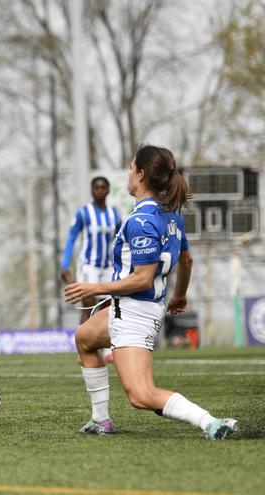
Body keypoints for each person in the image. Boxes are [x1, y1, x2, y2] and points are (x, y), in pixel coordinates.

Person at [66, 144, 237, 441]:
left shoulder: (140, 222)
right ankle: (101, 420)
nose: (129, 174)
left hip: (134, 313)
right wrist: (179, 295)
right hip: (134, 308)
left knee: (141, 395)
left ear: (141, 174)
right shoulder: (171, 216)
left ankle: (210, 422)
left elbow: (142, 279)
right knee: (84, 338)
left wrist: (95, 287)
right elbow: (187, 259)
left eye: (132, 168)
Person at [61, 177, 122, 326]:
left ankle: (104, 348)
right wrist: (65, 264)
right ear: (92, 191)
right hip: (89, 265)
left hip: (108, 267)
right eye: (96, 187)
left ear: (107, 190)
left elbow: (120, 242)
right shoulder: (84, 213)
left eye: (103, 187)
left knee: (107, 308)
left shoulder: (114, 215)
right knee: (88, 305)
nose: (99, 190)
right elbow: (72, 238)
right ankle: (83, 346)